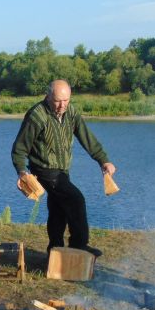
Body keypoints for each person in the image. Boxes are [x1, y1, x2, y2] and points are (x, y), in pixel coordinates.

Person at [11, 79, 116, 258]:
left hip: (63, 171)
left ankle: (54, 250)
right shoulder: (37, 115)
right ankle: (79, 244)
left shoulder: (71, 112)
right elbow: (19, 148)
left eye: (66, 100)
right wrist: (22, 172)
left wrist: (103, 160)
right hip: (44, 171)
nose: (62, 105)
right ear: (48, 96)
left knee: (58, 209)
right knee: (76, 199)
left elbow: (86, 137)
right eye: (58, 101)